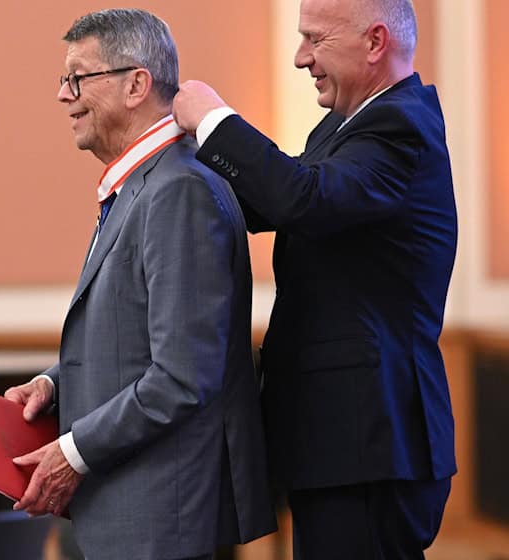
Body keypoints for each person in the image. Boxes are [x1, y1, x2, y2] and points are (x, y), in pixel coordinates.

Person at [172, 0, 457, 558]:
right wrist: (172, 158)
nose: (301, 58)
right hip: (337, 437)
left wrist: (213, 120)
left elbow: (302, 198)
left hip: (372, 440)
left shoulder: (400, 126)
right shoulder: (345, 125)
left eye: (315, 39)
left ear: (375, 42)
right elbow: (272, 202)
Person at [4, 9, 276, 560]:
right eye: (64, 79)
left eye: (78, 78)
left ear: (136, 85)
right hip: (137, 511)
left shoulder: (178, 191)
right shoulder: (143, 187)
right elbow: (135, 335)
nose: (64, 95)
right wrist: (56, 386)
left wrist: (73, 452)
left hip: (162, 516)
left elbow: (181, 375)